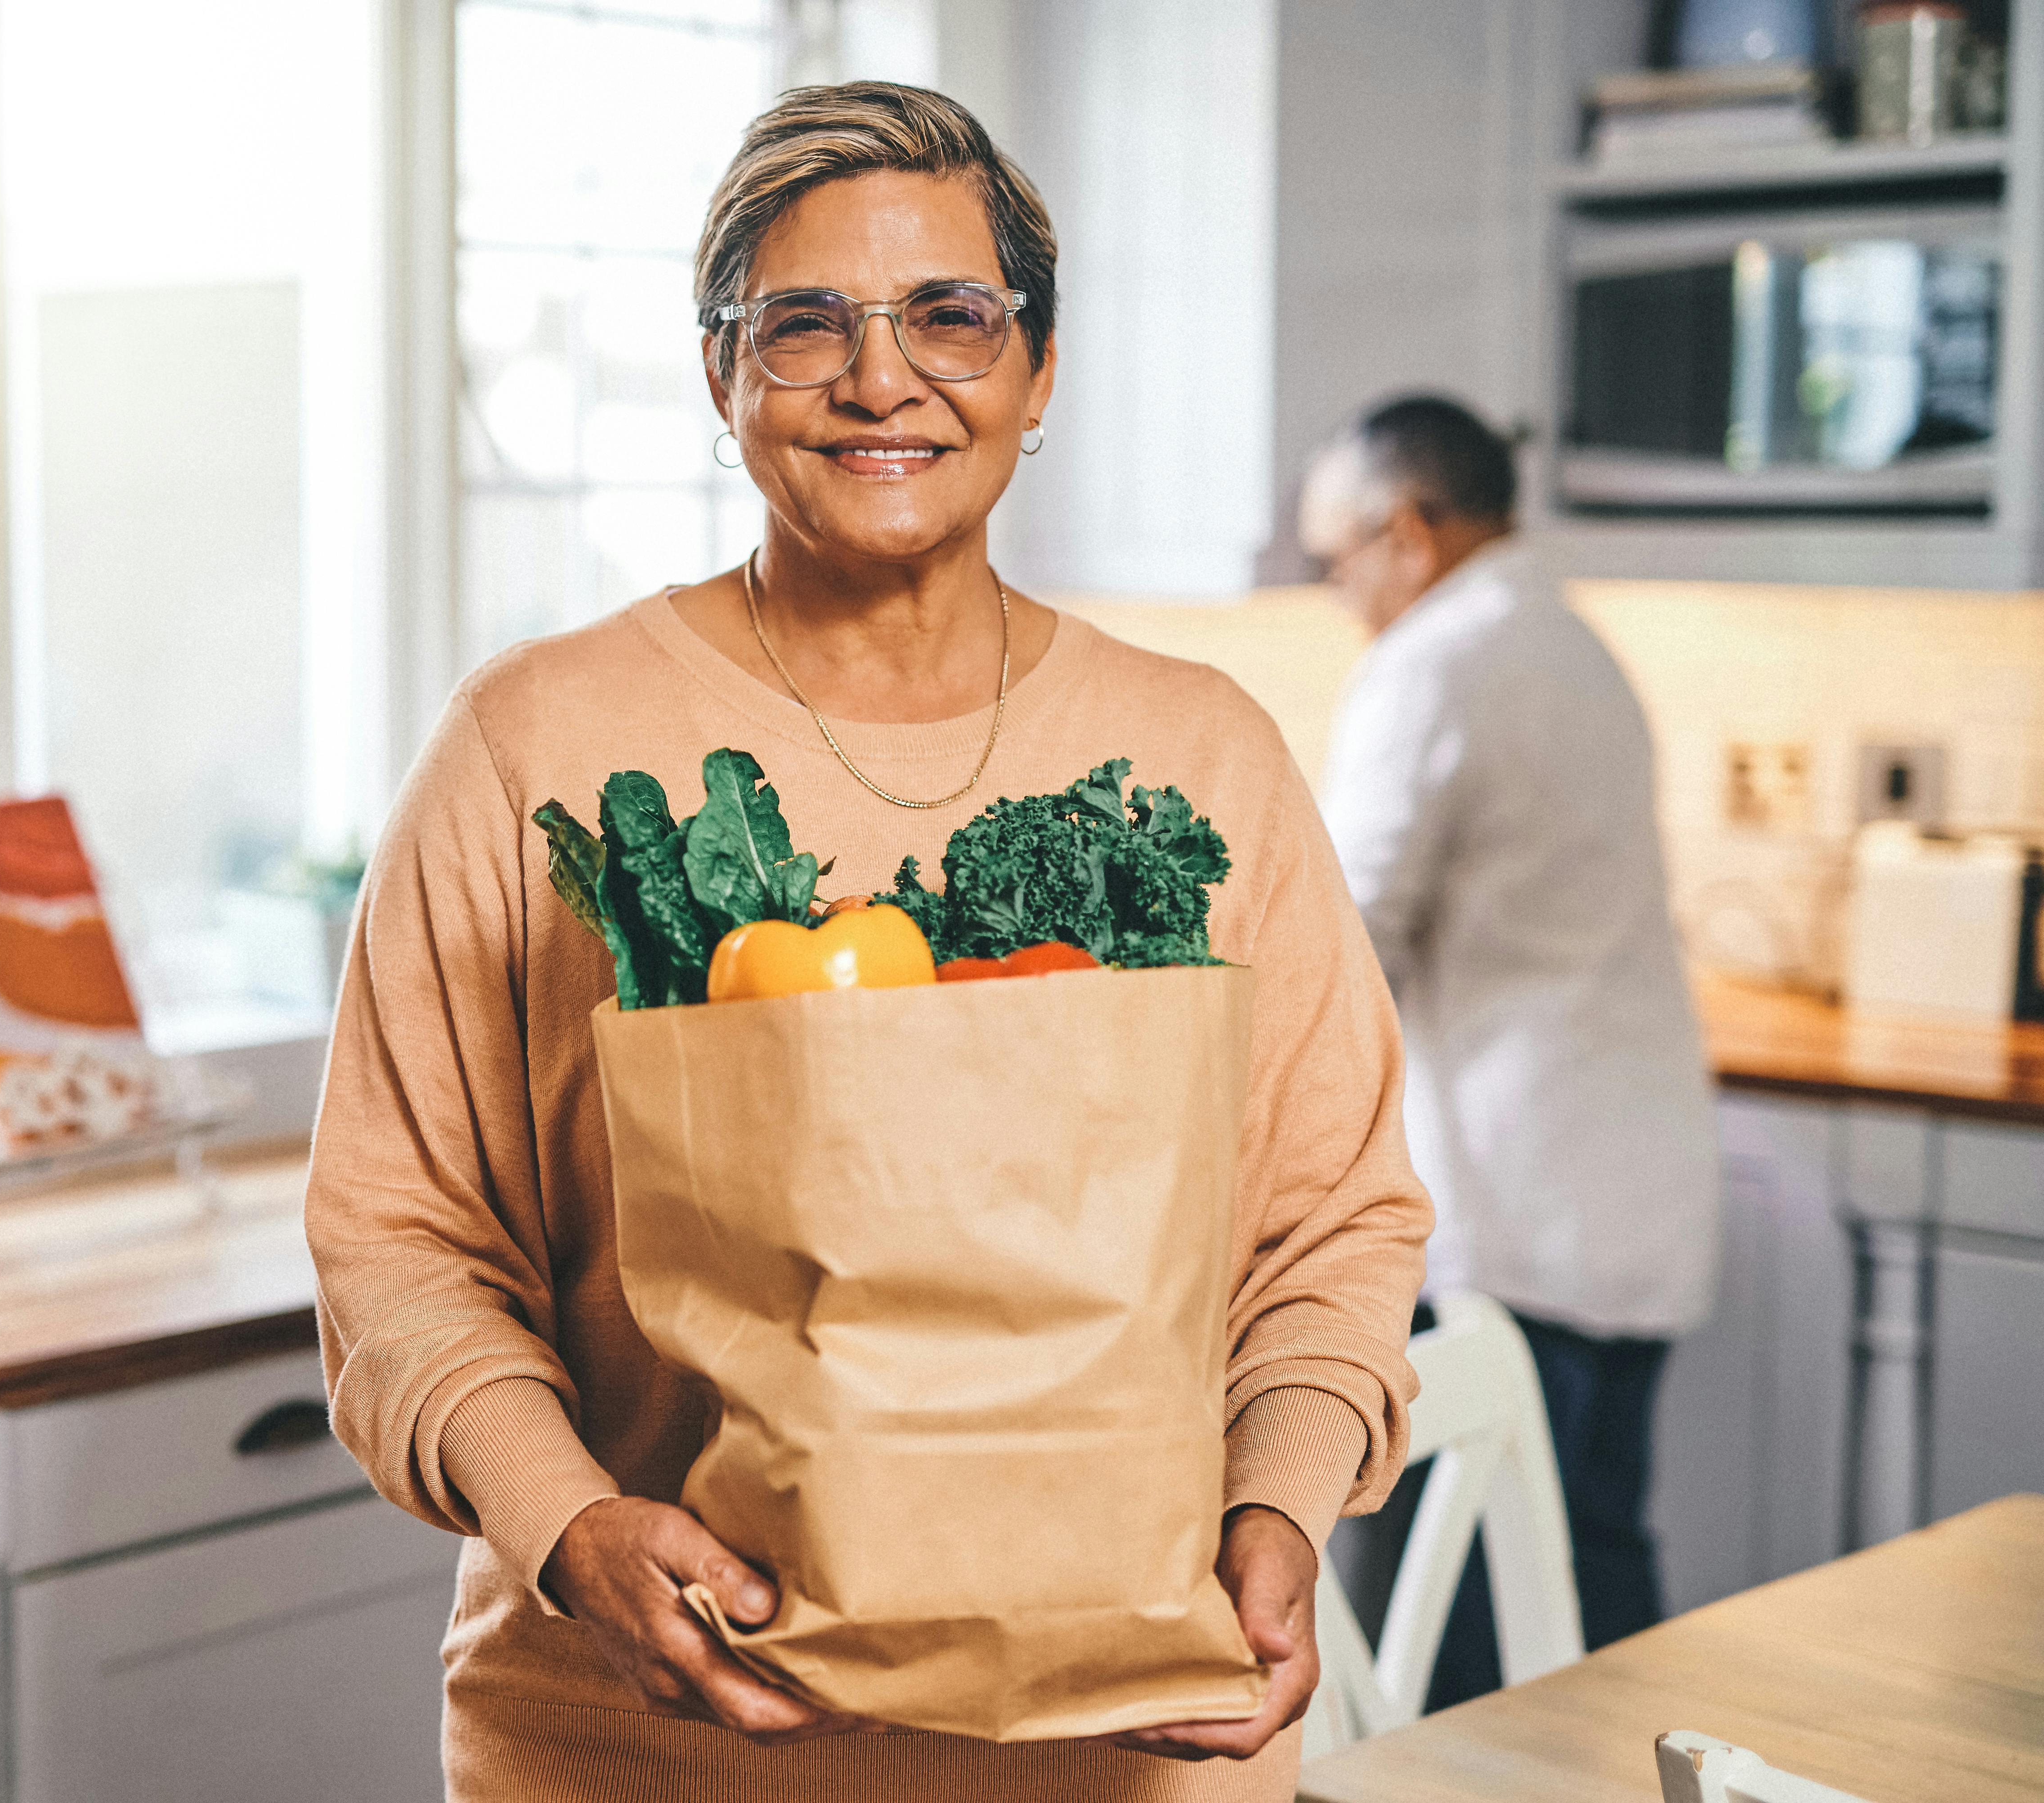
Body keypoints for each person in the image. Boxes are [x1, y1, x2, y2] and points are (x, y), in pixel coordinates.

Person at [307, 83, 1431, 1802]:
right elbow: (399, 1245)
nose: (880, 379)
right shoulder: (532, 744)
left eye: (950, 317)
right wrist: (570, 1527)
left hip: (1126, 1746)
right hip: (643, 1750)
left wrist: (1277, 1503)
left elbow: (1333, 1225)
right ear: (720, 376)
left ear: (1036, 372)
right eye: (803, 324)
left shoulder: (1207, 757)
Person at [1299, 396, 1721, 1704]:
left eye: (1337, 562)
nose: (1341, 596)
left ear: (1410, 531)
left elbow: (1340, 928)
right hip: (1626, 1185)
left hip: (1519, 1199)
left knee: (1477, 1608)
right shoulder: (1569, 642)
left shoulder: (1436, 661)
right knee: (1589, 1561)